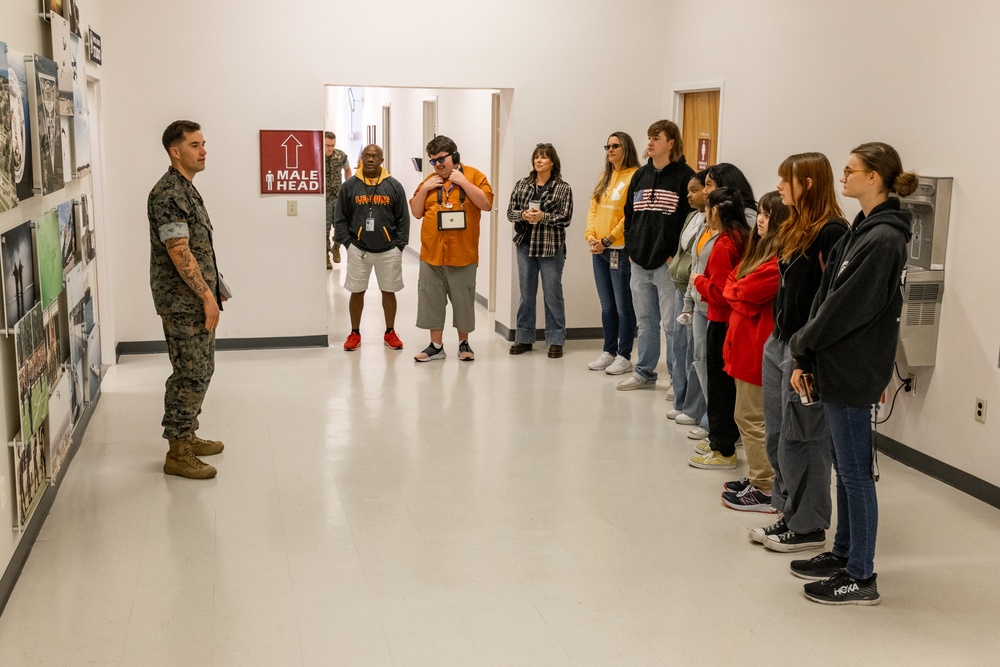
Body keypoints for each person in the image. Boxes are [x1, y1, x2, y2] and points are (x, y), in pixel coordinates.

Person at [788, 143, 916, 605]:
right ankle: (843, 553)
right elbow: (826, 293)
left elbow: (844, 309)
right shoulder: (862, 231)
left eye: (851, 170)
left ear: (876, 178)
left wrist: (803, 344)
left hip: (854, 368)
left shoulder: (884, 240)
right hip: (834, 363)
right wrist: (806, 356)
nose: (843, 177)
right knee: (844, 468)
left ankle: (861, 576)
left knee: (856, 474)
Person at [750, 152, 848, 550]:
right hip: (780, 341)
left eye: (785, 180)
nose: (778, 186)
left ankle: (808, 526)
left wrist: (809, 353)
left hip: (805, 349)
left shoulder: (833, 232)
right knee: (777, 434)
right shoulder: (794, 228)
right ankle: (788, 510)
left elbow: (833, 301)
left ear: (808, 183)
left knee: (803, 436)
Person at [147, 120, 227, 480]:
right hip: (183, 302)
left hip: (196, 298)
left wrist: (215, 287)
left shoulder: (187, 189)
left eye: (204, 143)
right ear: (175, 151)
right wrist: (207, 296)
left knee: (202, 369)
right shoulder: (168, 194)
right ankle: (177, 451)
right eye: (195, 145)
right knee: (189, 372)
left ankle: (188, 434)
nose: (204, 150)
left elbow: (196, 246)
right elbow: (179, 251)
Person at [719, 191, 787, 509]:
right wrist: (737, 290)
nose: (760, 219)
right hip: (742, 344)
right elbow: (732, 285)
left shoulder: (777, 261)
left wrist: (737, 290)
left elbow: (740, 289)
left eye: (768, 214)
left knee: (752, 417)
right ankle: (757, 474)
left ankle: (765, 485)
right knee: (745, 415)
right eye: (760, 212)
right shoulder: (758, 251)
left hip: (757, 349)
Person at [618, 120, 694, 391]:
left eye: (656, 138)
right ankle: (644, 372)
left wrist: (676, 256)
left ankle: (677, 380)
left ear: (671, 143)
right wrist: (630, 249)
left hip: (667, 265)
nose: (649, 143)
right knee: (646, 323)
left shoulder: (686, 177)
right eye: (649, 138)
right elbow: (629, 215)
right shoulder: (640, 175)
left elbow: (691, 220)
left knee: (673, 327)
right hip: (639, 262)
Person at [409, 135, 493, 362]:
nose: (437, 164)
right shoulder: (429, 181)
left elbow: (486, 204)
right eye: (433, 160)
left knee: (463, 300)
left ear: (454, 156)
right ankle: (436, 345)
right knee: (431, 300)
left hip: (462, 253)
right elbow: (416, 212)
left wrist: (464, 182)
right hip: (432, 253)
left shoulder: (475, 176)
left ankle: (464, 343)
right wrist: (424, 189)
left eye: (441, 159)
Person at [688, 188, 749, 469]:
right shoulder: (742, 236)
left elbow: (724, 291)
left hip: (722, 320)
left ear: (716, 211)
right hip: (732, 323)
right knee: (726, 386)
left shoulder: (725, 243)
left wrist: (699, 281)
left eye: (707, 209)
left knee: (720, 386)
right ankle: (721, 438)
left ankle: (723, 448)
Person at [334, 144, 409, 351]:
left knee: (389, 291)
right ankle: (355, 333)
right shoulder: (350, 186)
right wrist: (348, 244)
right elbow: (340, 218)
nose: (370, 160)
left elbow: (403, 219)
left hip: (389, 250)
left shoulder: (393, 186)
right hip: (358, 249)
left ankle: (390, 332)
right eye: (366, 156)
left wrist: (399, 246)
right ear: (361, 159)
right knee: (357, 291)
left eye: (375, 156)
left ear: (382, 160)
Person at [507, 143, 574, 358]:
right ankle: (524, 337)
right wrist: (523, 215)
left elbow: (566, 218)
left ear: (552, 162)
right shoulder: (522, 185)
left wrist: (543, 217)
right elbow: (510, 212)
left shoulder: (563, 188)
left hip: (550, 247)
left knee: (552, 294)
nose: (539, 160)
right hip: (525, 245)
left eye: (544, 157)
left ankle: (555, 339)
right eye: (536, 157)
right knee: (526, 294)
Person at [585, 132, 640, 375]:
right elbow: (593, 209)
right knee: (606, 306)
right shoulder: (603, 177)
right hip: (599, 250)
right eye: (607, 145)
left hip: (618, 248)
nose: (610, 149)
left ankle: (624, 355)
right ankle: (608, 351)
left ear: (626, 147)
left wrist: (608, 240)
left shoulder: (635, 176)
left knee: (622, 306)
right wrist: (591, 237)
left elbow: (631, 215)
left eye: (615, 145)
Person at [668, 171, 708, 427]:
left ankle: (695, 408)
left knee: (696, 354)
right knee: (679, 347)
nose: (690, 195)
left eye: (695, 190)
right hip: (682, 286)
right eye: (688, 191)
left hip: (698, 291)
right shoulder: (692, 217)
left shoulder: (712, 222)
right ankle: (681, 401)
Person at [325, 131, 352, 268]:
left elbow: (347, 169)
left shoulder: (340, 155)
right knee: (324, 228)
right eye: (327, 145)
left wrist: (347, 187)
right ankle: (325, 256)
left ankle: (336, 246)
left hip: (338, 196)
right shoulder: (316, 155)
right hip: (323, 198)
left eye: (332, 145)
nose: (330, 148)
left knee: (340, 226)